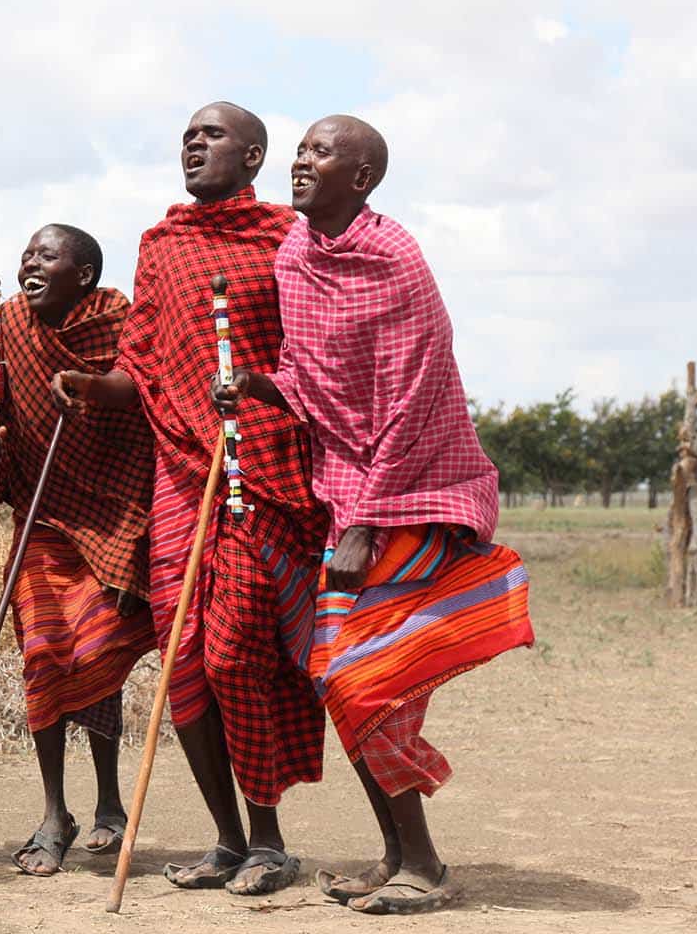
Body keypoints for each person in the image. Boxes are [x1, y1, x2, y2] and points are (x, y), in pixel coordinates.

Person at [213, 115, 534, 915]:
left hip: (420, 491)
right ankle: (396, 855)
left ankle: (423, 866)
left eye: (321, 152)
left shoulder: (395, 255)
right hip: (345, 491)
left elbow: (415, 392)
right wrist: (256, 385)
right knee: (340, 677)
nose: (301, 161)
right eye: (301, 149)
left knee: (361, 677)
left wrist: (369, 518)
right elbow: (311, 377)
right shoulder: (295, 253)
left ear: (360, 178)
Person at [52, 103, 328, 895]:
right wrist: (91, 388)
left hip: (263, 470)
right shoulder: (160, 245)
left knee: (238, 652)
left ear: (254, 156)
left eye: (211, 137)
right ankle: (229, 841)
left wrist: (264, 398)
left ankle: (272, 838)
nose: (193, 146)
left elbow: (314, 349)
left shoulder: (289, 237)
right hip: (180, 477)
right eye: (186, 137)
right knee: (184, 668)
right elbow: (140, 364)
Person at [0, 224, 157, 876]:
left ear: (83, 275)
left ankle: (109, 800)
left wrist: (93, 387)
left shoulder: (117, 322)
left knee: (96, 656)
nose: (30, 263)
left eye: (47, 255)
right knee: (48, 653)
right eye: (26, 253)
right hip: (43, 518)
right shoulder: (10, 323)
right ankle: (55, 812)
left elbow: (144, 401)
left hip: (114, 519)